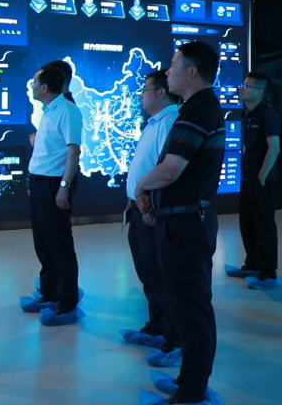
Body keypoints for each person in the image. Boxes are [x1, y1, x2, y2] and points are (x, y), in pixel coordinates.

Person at [134, 41, 225, 405]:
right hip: (186, 221)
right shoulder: (200, 108)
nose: (168, 71)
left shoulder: (196, 112)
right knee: (190, 306)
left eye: (174, 65)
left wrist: (142, 186)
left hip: (186, 225)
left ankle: (191, 392)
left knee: (191, 308)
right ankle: (190, 381)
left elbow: (171, 169)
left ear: (191, 71)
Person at [120, 70, 181, 353]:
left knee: (159, 275)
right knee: (148, 274)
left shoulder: (170, 122)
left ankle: (172, 335)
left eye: (144, 90)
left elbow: (166, 170)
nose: (141, 96)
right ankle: (157, 327)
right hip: (138, 207)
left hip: (150, 209)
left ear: (160, 92)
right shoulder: (155, 122)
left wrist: (152, 205)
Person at [23, 65, 84, 326]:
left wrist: (64, 186)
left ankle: (67, 301)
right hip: (39, 184)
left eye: (35, 83)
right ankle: (49, 293)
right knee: (43, 243)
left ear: (45, 87)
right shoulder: (49, 111)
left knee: (59, 245)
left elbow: (73, 151)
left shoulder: (68, 111)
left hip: (54, 185)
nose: (32, 87)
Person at [226, 71, 282, 288]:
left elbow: (274, 147)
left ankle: (268, 273)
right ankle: (253, 264)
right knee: (248, 223)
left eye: (248, 86)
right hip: (248, 177)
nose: (242, 89)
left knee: (263, 225)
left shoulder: (268, 115)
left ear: (260, 92)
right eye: (243, 84)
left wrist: (262, 175)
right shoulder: (247, 113)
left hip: (262, 180)